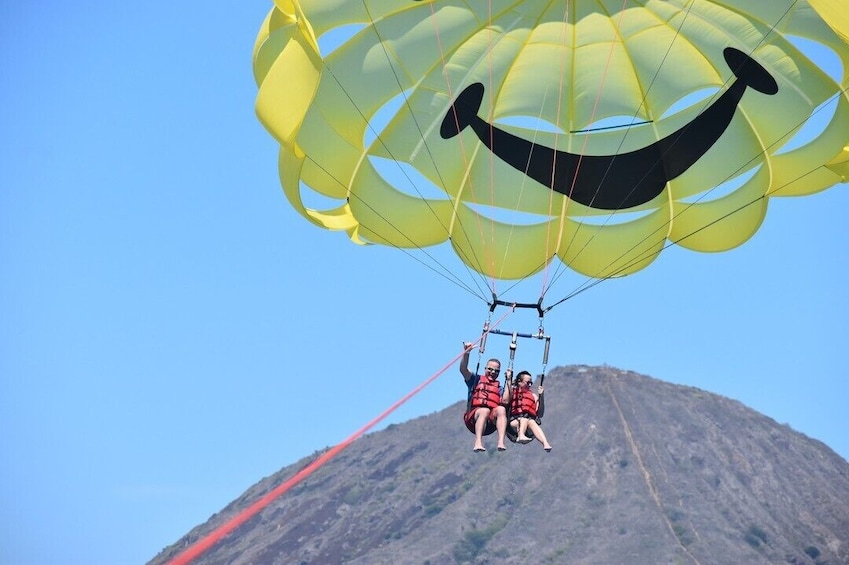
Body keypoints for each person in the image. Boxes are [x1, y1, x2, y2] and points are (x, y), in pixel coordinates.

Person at [460, 343, 511, 452]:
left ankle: (501, 442)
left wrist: (509, 381)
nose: (493, 372)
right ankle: (478, 442)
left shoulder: (499, 388)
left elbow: (506, 400)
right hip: (472, 420)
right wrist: (466, 353)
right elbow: (463, 369)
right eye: (490, 369)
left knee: (501, 409)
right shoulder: (475, 380)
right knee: (484, 410)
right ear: (485, 368)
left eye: (496, 371)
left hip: (490, 425)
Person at [509, 370, 552, 452]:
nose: (529, 385)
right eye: (527, 382)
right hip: (514, 423)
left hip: (528, 428)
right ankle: (520, 435)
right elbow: (505, 400)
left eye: (530, 383)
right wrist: (509, 379)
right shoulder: (512, 392)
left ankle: (545, 443)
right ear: (519, 382)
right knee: (524, 419)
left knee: (531, 422)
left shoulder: (533, 396)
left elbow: (540, 414)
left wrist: (541, 396)